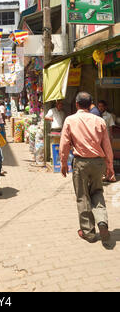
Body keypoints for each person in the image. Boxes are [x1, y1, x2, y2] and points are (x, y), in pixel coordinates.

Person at [59, 92, 114, 244]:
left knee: (83, 196)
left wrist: (63, 163)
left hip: (81, 163)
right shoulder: (99, 120)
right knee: (97, 192)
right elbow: (107, 146)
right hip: (98, 163)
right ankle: (102, 221)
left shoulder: (70, 120)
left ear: (77, 104)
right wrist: (110, 166)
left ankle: (88, 233)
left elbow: (64, 144)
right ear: (91, 105)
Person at [98, 100, 117, 183]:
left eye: (102, 106)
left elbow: (110, 128)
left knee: (108, 157)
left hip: (106, 140)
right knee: (100, 157)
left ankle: (109, 175)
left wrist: (110, 138)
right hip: (98, 140)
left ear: (105, 107)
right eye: (99, 106)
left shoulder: (109, 116)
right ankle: (102, 174)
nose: (100, 108)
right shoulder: (96, 115)